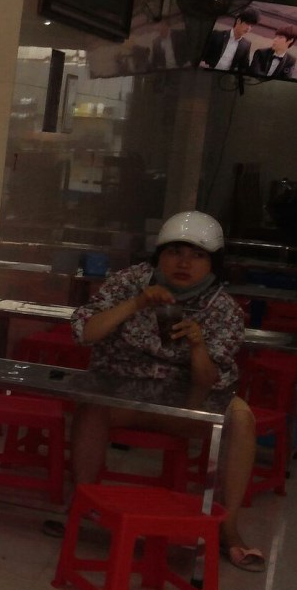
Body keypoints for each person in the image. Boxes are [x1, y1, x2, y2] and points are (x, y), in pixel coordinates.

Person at [54, 211, 265, 571]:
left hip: (185, 405)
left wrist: (197, 345)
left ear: (212, 264)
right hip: (122, 396)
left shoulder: (222, 308)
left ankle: (228, 528)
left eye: (197, 255)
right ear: (159, 256)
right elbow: (86, 332)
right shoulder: (129, 282)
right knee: (91, 404)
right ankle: (82, 505)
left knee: (242, 417)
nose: (184, 263)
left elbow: (209, 380)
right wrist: (136, 303)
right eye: (175, 252)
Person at [200, 8, 258, 74]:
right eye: (247, 23)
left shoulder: (246, 44)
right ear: (238, 21)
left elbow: (244, 67)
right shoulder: (217, 35)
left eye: (251, 26)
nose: (249, 28)